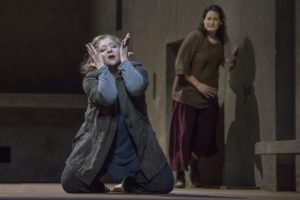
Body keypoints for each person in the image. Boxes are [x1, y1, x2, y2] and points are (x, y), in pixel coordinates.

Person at [61, 33, 174, 193]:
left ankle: (129, 184)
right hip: (99, 143)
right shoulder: (91, 79)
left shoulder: (137, 69)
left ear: (121, 49)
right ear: (94, 57)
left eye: (113, 46)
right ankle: (99, 187)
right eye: (103, 49)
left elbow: (136, 88)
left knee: (164, 184)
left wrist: (125, 62)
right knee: (70, 183)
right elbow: (108, 97)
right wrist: (101, 69)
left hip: (134, 144)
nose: (109, 50)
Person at [169, 4, 236, 188]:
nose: (211, 22)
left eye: (215, 19)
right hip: (187, 95)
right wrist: (199, 84)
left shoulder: (220, 43)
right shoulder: (195, 37)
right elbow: (180, 65)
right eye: (208, 18)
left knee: (205, 139)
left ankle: (193, 160)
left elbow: (214, 59)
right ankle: (180, 175)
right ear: (203, 20)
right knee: (184, 136)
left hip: (208, 99)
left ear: (221, 22)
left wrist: (227, 61)